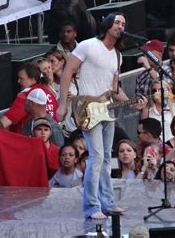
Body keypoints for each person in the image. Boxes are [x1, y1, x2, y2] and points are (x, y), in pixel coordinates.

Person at [57, 12, 146, 219]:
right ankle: (91, 207)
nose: (121, 26)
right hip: (87, 107)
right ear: (107, 25)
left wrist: (133, 102)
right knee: (96, 158)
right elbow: (67, 72)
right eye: (117, 22)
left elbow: (114, 89)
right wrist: (63, 105)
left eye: (124, 23)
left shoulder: (117, 55)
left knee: (106, 158)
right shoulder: (88, 45)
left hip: (106, 110)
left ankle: (108, 203)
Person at [0, 62, 59, 132]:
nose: (18, 81)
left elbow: (4, 123)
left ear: (33, 79)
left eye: (21, 78)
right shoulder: (49, 93)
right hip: (50, 138)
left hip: (27, 140)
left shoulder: (27, 95)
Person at [45, 49, 78, 133]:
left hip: (75, 125)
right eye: (48, 62)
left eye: (52, 61)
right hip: (58, 127)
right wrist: (59, 101)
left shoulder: (76, 80)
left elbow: (87, 98)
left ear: (62, 62)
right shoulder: (49, 84)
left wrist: (75, 98)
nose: (50, 65)